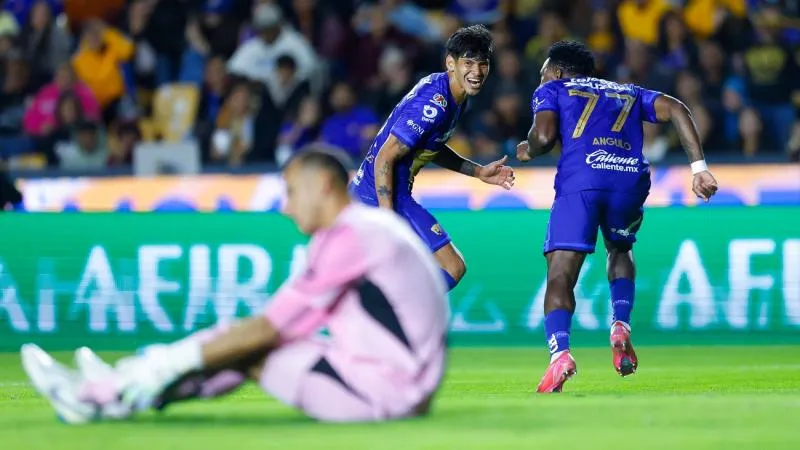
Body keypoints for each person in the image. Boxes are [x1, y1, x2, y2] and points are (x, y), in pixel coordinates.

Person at [21, 145, 450, 424]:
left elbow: (268, 329)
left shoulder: (350, 236)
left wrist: (167, 365)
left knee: (247, 344)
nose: (285, 207)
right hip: (399, 385)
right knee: (241, 342)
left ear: (322, 185)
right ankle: (121, 387)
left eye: (290, 191)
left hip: (386, 395)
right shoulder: (364, 228)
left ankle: (111, 392)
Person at [515, 41, 719, 393]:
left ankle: (560, 354)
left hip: (583, 181)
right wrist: (698, 168)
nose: (541, 79)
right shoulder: (628, 90)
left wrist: (528, 147)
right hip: (629, 180)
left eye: (544, 72)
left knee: (561, 271)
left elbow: (545, 137)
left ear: (558, 72)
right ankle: (621, 324)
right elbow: (677, 109)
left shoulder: (553, 88)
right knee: (620, 250)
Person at [349, 24, 515, 292]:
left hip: (378, 195)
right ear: (451, 63)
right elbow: (385, 157)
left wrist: (477, 172)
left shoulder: (451, 94)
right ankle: (401, 315)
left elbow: (430, 146)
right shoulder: (435, 104)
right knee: (452, 267)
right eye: (468, 63)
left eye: (482, 64)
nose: (476, 71)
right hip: (382, 197)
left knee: (393, 277)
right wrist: (386, 220)